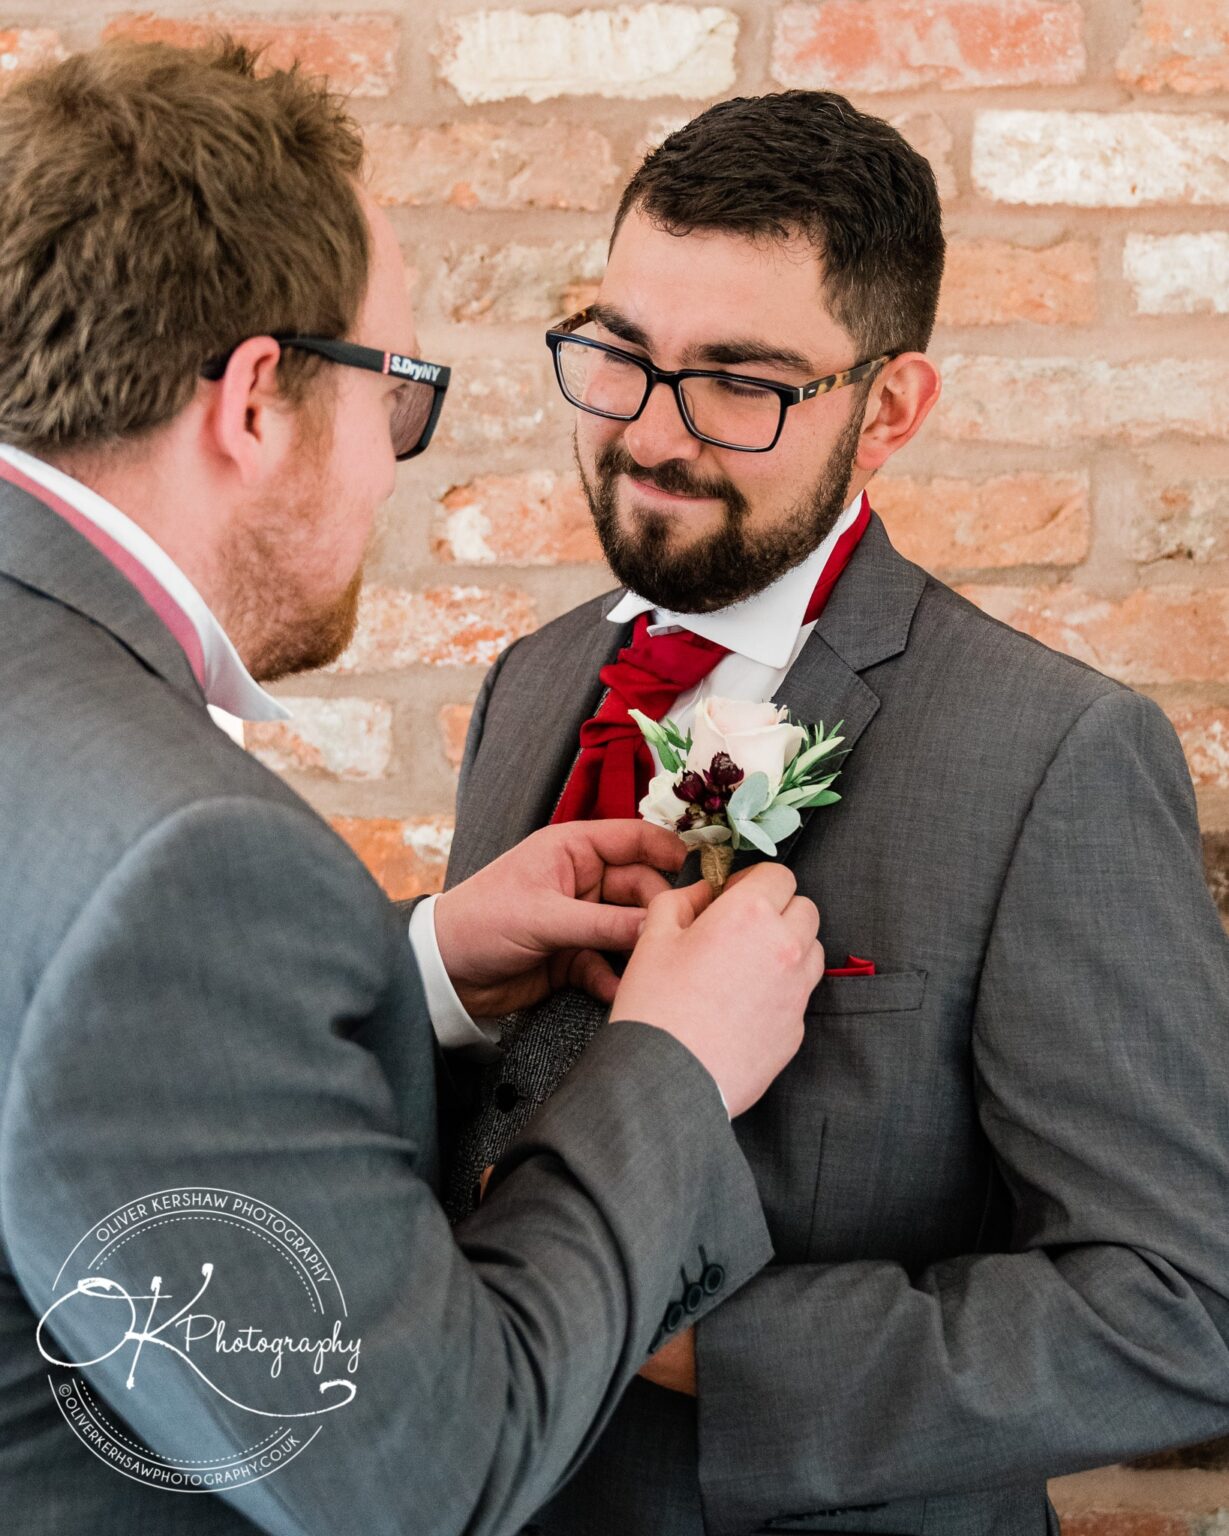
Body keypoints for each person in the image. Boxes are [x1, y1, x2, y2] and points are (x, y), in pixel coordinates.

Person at [0, 43, 826, 1535]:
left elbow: (74, 1046)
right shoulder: (187, 856)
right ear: (256, 398)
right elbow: (420, 1479)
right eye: (395, 395)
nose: (393, 471)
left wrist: (422, 965)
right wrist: (673, 1071)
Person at [443, 91, 1229, 1535]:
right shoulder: (532, 679)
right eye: (618, 354)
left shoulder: (1054, 754)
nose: (648, 435)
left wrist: (680, 1343)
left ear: (888, 409)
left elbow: (1181, 1305)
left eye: (740, 382)